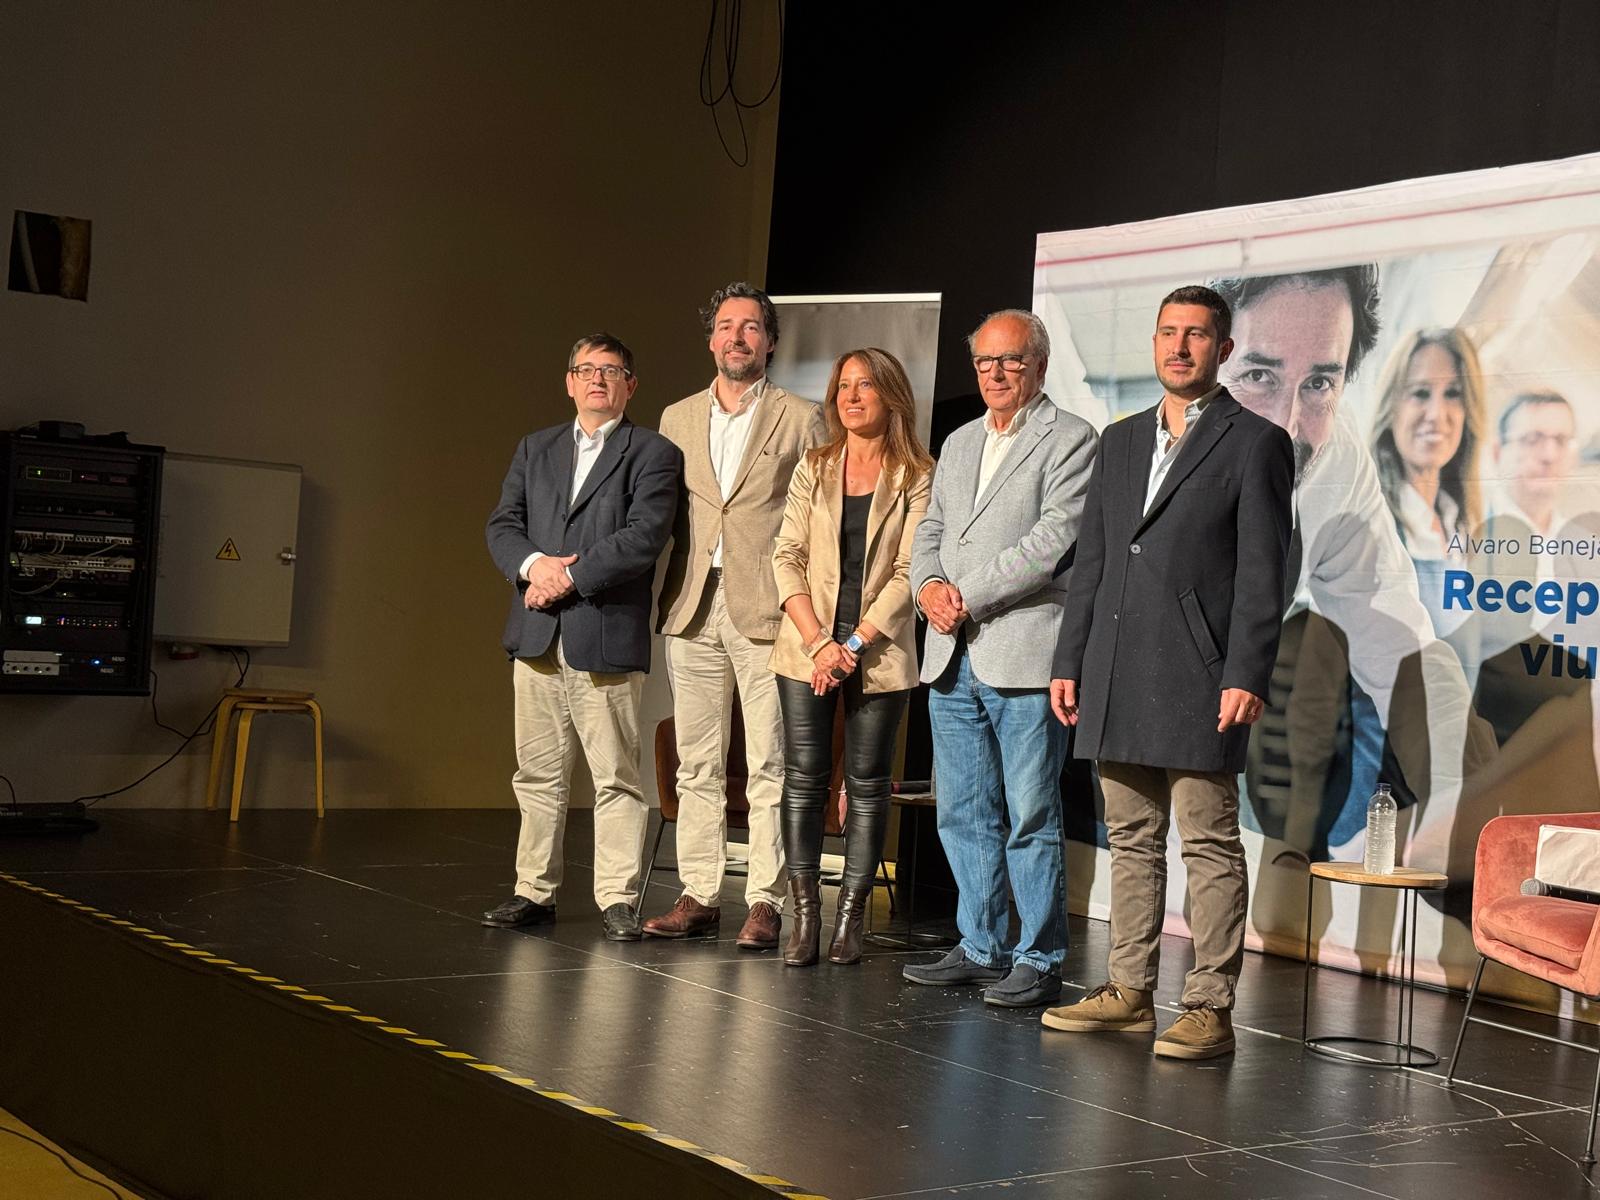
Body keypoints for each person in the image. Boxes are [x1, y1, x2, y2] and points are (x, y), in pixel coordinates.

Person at [1043, 285, 1293, 1060]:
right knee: (1132, 838)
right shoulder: (1119, 441)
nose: (1179, 347)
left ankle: (1210, 1006)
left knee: (1209, 843)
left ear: (1224, 350)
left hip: (1201, 674)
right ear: (1153, 343)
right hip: (1115, 668)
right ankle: (1128, 992)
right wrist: (1071, 659)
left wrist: (1246, 672)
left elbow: (1265, 575)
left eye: (1196, 335)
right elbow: (1093, 560)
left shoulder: (1256, 443)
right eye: (1167, 333)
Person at [902, 308, 1098, 1008]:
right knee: (961, 811)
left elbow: (1053, 542)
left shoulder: (1072, 438)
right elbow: (929, 529)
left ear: (1038, 364)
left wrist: (966, 596)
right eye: (985, 361)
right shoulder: (959, 442)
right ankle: (981, 945)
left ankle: (1038, 957)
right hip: (950, 655)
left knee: (1031, 813)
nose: (995, 373)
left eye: (1010, 360)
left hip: (1021, 651)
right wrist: (928, 587)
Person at [483, 333, 683, 941]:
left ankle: (616, 898)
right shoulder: (535, 447)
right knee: (537, 774)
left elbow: (644, 536)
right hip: (537, 636)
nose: (598, 379)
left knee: (615, 776)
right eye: (587, 369)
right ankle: (533, 891)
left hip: (604, 634)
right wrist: (533, 567)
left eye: (612, 370)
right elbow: (504, 525)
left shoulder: (653, 452)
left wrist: (565, 577)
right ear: (569, 381)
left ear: (630, 385)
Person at [645, 282, 826, 948]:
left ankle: (765, 901)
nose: (737, 337)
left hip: (771, 607)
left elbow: (819, 523)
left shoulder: (802, 417)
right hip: (693, 602)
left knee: (769, 762)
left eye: (751, 327)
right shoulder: (677, 417)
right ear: (711, 340)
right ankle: (698, 893)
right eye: (726, 326)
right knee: (696, 762)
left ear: (769, 341)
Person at [769, 348, 933, 966]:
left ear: (891, 395)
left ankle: (851, 919)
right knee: (804, 779)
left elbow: (910, 570)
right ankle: (805, 917)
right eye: (844, 386)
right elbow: (786, 556)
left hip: (879, 650)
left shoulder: (918, 473)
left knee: (866, 786)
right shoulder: (815, 465)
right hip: (806, 646)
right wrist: (820, 643)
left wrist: (854, 644)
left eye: (866, 385)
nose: (852, 396)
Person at [1369, 329, 1489, 679]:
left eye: (1453, 394)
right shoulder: (1371, 526)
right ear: (1391, 407)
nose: (1437, 414)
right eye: (1420, 393)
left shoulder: (1463, 525)